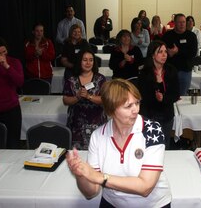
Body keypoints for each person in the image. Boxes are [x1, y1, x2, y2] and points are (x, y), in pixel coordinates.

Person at [66, 78, 172, 207]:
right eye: (128, 106)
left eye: (137, 103)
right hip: (113, 203)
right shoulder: (98, 136)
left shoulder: (152, 130)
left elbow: (145, 187)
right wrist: (81, 174)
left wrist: (101, 177)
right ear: (111, 110)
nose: (136, 110)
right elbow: (91, 192)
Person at [138, 41, 180, 150]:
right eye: (160, 52)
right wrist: (155, 97)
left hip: (166, 115)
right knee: (149, 146)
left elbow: (176, 94)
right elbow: (142, 95)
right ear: (152, 54)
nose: (164, 54)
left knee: (164, 145)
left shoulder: (171, 71)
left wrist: (163, 98)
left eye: (165, 51)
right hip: (149, 115)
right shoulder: (144, 72)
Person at [63, 49, 107, 149]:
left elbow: (105, 100)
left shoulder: (100, 79)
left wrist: (89, 96)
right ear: (79, 61)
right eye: (85, 60)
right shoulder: (71, 79)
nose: (88, 63)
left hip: (97, 124)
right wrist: (77, 97)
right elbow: (65, 100)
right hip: (76, 126)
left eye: (91, 60)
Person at [162, 13, 198, 95]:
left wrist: (177, 51)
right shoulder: (167, 35)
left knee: (182, 95)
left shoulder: (191, 36)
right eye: (179, 22)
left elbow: (193, 53)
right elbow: (161, 51)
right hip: (170, 71)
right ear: (174, 23)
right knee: (169, 94)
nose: (182, 24)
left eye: (184, 22)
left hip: (185, 71)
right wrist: (167, 53)